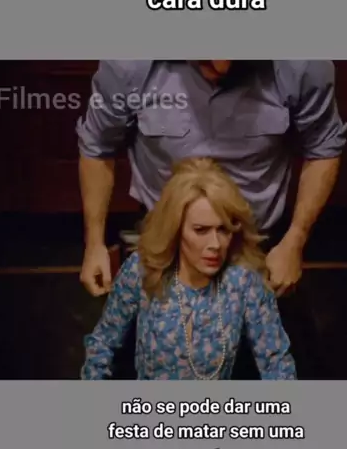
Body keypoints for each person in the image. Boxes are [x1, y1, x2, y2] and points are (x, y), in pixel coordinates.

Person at [77, 60, 347, 378]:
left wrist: (295, 240)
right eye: (206, 59)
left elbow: (324, 146)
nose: (219, 69)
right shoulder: (129, 63)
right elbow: (97, 146)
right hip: (164, 251)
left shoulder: (303, 64)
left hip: (260, 250)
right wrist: (94, 243)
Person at [81, 158, 296, 380]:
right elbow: (102, 345)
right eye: (201, 230)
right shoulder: (141, 269)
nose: (215, 244)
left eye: (223, 230)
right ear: (176, 229)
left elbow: (277, 363)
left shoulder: (243, 279)